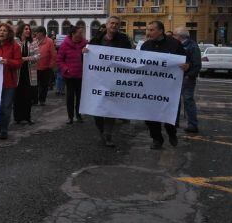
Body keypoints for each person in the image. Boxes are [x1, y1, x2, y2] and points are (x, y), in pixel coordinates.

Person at [84, 16, 132, 146]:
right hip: (98, 79)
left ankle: (108, 134)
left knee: (111, 108)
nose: (114, 25)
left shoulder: (123, 40)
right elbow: (87, 55)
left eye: (117, 24)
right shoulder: (97, 38)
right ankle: (102, 131)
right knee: (97, 109)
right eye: (112, 23)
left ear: (119, 26)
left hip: (114, 79)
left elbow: (130, 57)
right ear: (106, 25)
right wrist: (85, 52)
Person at [141, 21, 188, 149]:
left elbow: (185, 61)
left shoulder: (174, 44)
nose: (148, 33)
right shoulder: (145, 46)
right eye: (148, 30)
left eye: (152, 30)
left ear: (161, 31)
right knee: (151, 115)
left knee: (169, 113)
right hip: (151, 86)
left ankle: (171, 132)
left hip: (170, 87)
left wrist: (186, 66)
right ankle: (157, 139)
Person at [173, 27, 201, 134]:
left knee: (188, 100)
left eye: (174, 35)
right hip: (177, 77)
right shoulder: (177, 45)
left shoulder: (192, 46)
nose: (173, 37)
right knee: (175, 100)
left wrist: (189, 75)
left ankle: (192, 124)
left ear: (180, 36)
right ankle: (174, 122)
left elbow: (197, 64)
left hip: (187, 78)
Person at [58, 26, 87, 125]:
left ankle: (78, 115)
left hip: (81, 75)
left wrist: (86, 52)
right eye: (79, 33)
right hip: (69, 76)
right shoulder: (64, 45)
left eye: (82, 33)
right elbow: (60, 60)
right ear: (73, 34)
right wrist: (66, 69)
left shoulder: (85, 44)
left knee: (80, 97)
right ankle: (70, 117)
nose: (81, 35)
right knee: (70, 97)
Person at [14, 24, 39, 124]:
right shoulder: (15, 41)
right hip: (17, 73)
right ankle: (18, 117)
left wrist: (26, 59)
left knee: (28, 96)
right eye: (26, 29)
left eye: (29, 29)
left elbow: (38, 56)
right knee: (18, 95)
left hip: (29, 72)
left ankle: (27, 117)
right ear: (21, 30)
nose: (28, 30)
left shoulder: (33, 42)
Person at [33, 26, 56, 106]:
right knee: (34, 85)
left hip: (46, 67)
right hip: (35, 67)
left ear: (42, 33)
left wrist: (51, 65)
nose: (35, 34)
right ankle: (35, 100)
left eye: (37, 32)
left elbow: (53, 55)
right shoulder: (34, 41)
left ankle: (42, 100)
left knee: (44, 85)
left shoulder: (49, 41)